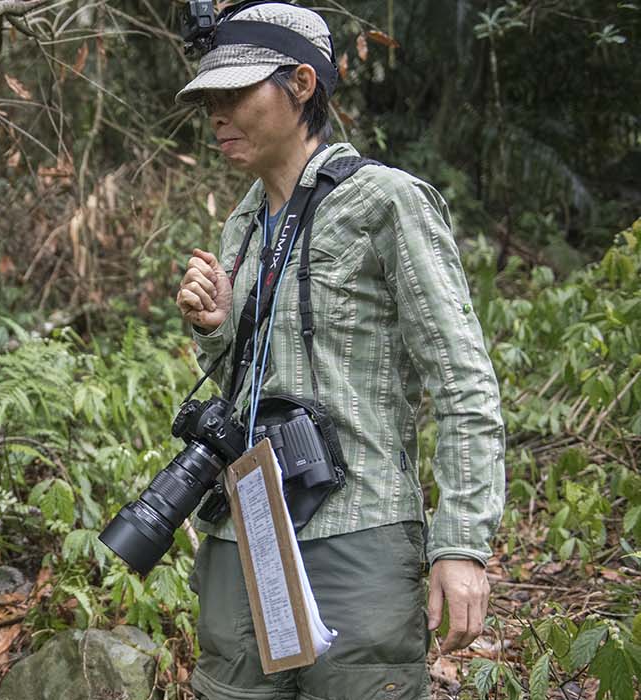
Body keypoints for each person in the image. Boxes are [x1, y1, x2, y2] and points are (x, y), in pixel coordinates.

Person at [172, 3, 506, 699]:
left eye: (235, 94)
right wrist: (214, 325)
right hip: (247, 526)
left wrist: (462, 544)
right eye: (210, 99)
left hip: (361, 527)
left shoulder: (386, 202)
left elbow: (462, 381)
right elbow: (251, 377)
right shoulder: (241, 224)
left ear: (299, 85)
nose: (217, 117)